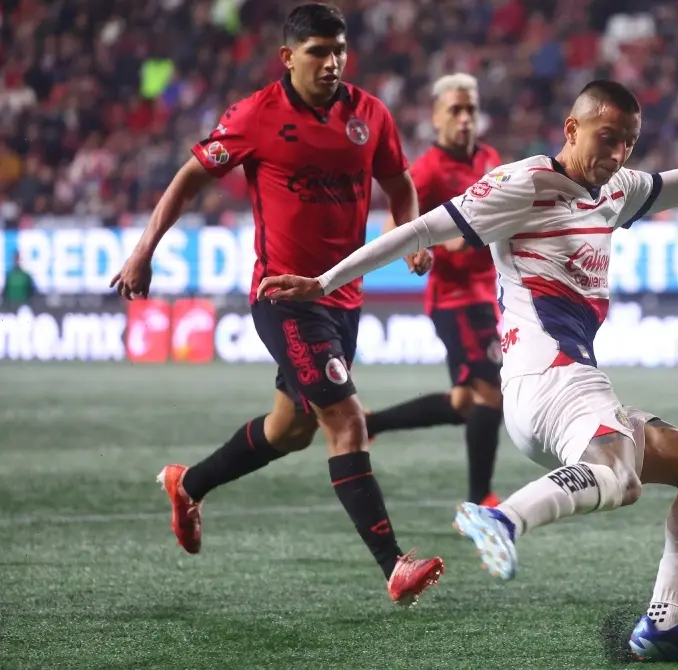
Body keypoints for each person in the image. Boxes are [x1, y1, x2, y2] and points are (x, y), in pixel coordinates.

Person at [258, 79, 678, 660]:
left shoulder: (617, 190)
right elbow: (424, 227)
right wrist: (326, 281)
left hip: (571, 383)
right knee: (619, 479)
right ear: (571, 129)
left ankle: (664, 622)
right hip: (549, 378)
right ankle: (501, 520)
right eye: (607, 139)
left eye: (628, 144)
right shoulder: (525, 183)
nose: (616, 155)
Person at [109, 3, 443, 605]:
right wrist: (143, 251)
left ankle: (189, 484)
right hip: (283, 297)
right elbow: (188, 178)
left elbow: (398, 183)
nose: (332, 62)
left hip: (343, 297)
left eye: (339, 49)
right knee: (347, 421)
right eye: (318, 51)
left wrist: (411, 234)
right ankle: (395, 565)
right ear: (288, 57)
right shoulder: (256, 116)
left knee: (290, 430)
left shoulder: (370, 115)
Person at [364, 73, 505, 508]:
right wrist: (423, 248)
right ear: (436, 118)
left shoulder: (489, 158)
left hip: (489, 295)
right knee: (492, 394)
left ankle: (372, 424)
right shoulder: (426, 171)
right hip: (456, 301)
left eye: (471, 111)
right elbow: (393, 229)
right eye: (455, 112)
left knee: (466, 402)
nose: (465, 120)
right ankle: (480, 500)